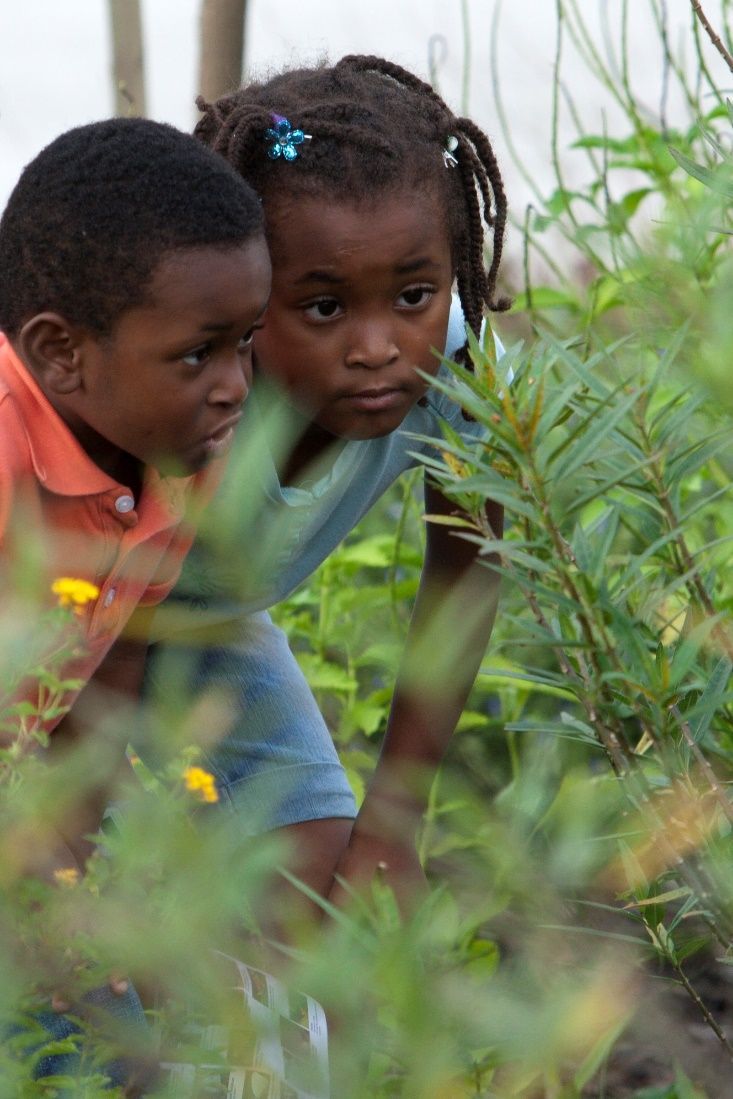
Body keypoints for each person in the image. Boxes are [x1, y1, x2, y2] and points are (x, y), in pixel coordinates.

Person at [145, 54, 510, 921]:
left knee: (327, 909)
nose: (377, 346)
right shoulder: (177, 391)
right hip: (53, 632)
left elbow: (469, 569)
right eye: (322, 307)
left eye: (415, 293)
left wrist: (390, 821)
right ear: (244, 290)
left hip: (206, 631)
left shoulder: (459, 366)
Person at [0, 116, 271, 1087]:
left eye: (248, 343)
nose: (238, 389)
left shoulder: (178, 454)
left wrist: (75, 909)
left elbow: (105, 683)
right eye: (200, 354)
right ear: (61, 353)